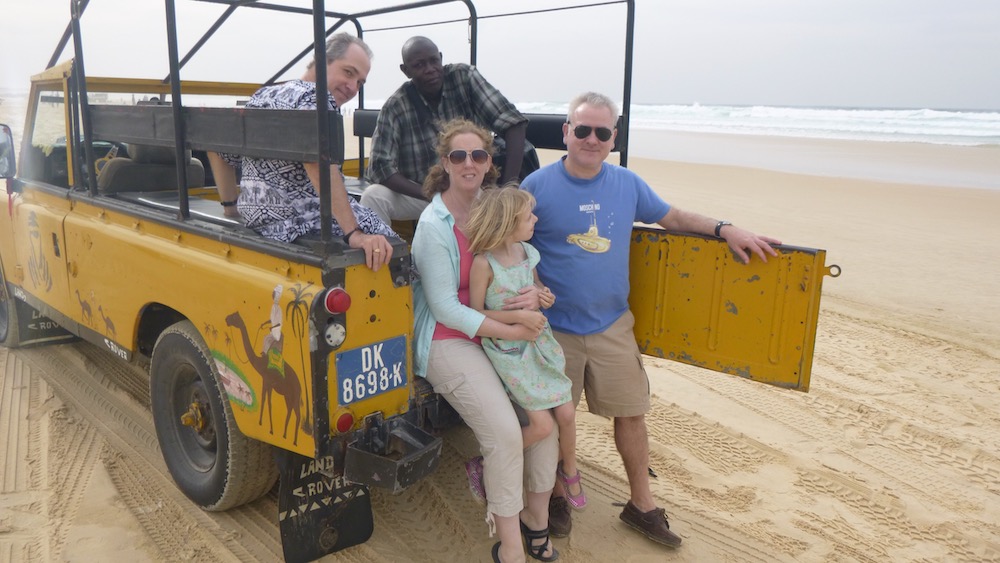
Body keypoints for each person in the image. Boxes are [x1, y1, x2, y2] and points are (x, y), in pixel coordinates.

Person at [522, 92, 782, 548]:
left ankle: (641, 504)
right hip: (553, 327)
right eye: (581, 129)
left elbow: (673, 217)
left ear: (613, 138)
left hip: (611, 325)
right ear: (565, 132)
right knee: (556, 418)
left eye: (602, 132)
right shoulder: (537, 186)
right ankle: (557, 495)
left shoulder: (627, 184)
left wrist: (726, 229)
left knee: (632, 414)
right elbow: (510, 243)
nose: (591, 139)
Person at [411, 119, 559, 563]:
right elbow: (445, 308)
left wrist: (539, 294)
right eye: (459, 156)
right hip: (450, 337)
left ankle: (538, 520)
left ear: (490, 162)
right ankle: (509, 543)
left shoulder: (500, 211)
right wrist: (514, 329)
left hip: (500, 330)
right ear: (445, 163)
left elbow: (522, 271)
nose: (469, 163)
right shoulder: (433, 225)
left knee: (545, 419)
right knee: (503, 432)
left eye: (478, 155)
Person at [209, 33, 396, 272]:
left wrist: (230, 207)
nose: (353, 88)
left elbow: (219, 149)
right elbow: (318, 164)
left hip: (263, 222)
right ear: (321, 60)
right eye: (348, 72)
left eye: (360, 82)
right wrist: (354, 234)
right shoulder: (316, 98)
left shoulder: (263, 95)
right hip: (303, 221)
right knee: (396, 249)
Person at [465, 187, 587, 510]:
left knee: (566, 412)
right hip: (510, 351)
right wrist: (517, 316)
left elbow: (537, 288)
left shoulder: (526, 252)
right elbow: (475, 312)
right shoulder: (484, 264)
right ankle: (483, 463)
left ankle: (570, 470)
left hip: (537, 343)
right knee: (543, 425)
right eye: (528, 216)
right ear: (507, 222)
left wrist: (545, 296)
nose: (535, 219)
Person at [360, 36, 533, 226]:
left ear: (441, 58)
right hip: (424, 194)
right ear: (406, 71)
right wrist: (431, 194)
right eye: (419, 65)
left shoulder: (464, 77)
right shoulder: (396, 107)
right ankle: (383, 253)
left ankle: (490, 253)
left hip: (474, 189)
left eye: (434, 61)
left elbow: (512, 122)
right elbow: (379, 166)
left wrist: (507, 188)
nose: (430, 69)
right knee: (373, 196)